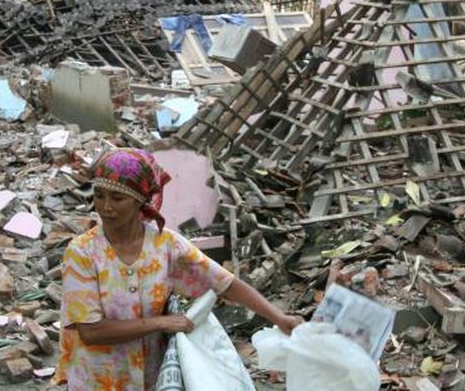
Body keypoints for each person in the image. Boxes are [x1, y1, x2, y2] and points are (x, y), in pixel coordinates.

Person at [55, 148, 303, 390]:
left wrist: (279, 318)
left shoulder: (165, 245)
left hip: (151, 377)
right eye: (99, 195)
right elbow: (91, 331)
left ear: (139, 199)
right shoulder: (82, 252)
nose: (105, 206)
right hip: (98, 379)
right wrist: (160, 322)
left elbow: (226, 284)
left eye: (117, 198)